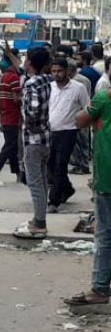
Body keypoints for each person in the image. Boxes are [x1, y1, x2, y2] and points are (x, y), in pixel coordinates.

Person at [64, 83, 111, 308]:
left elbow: (79, 120)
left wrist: (95, 117)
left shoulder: (103, 98)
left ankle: (100, 289)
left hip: (107, 179)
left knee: (105, 236)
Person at [14, 47, 53, 239]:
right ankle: (39, 217)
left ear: (29, 61)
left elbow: (33, 110)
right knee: (42, 181)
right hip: (46, 136)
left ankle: (39, 223)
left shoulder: (31, 83)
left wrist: (31, 125)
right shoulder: (47, 79)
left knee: (35, 182)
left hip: (33, 139)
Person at [47, 57, 89, 213]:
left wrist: (82, 125)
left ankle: (53, 201)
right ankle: (68, 189)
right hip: (51, 130)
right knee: (51, 165)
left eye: (59, 71)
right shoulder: (50, 87)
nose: (56, 74)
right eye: (54, 71)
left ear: (67, 71)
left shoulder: (78, 88)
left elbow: (87, 108)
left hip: (69, 131)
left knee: (60, 165)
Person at [0, 51, 23, 186]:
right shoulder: (14, 77)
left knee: (11, 144)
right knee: (10, 145)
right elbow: (16, 99)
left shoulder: (4, 76)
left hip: (5, 114)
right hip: (13, 114)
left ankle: (18, 173)